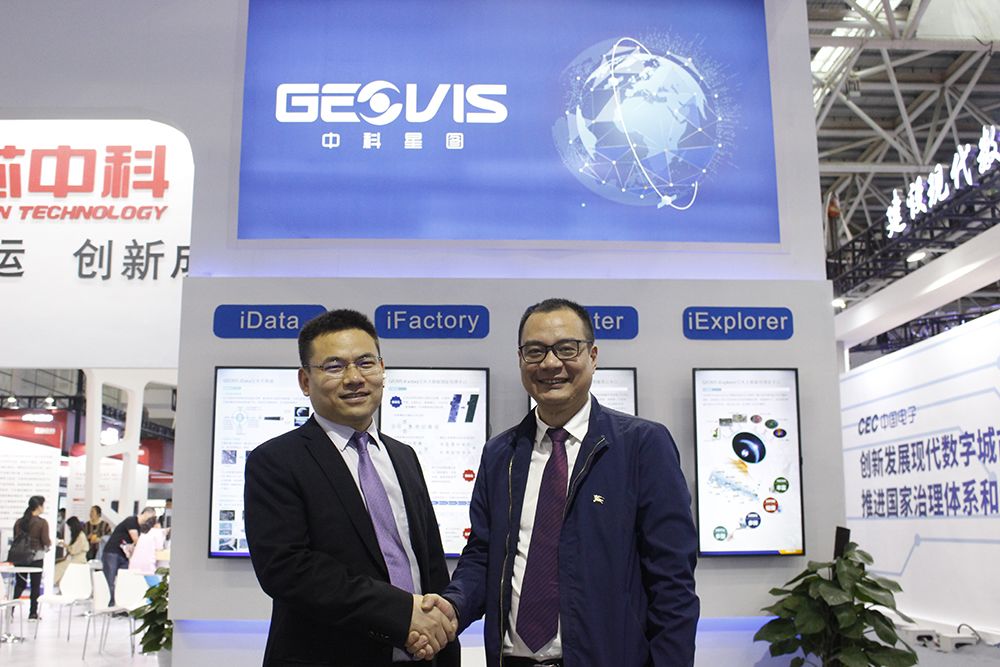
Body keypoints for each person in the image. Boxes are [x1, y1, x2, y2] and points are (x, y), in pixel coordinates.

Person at [437, 298, 700, 666]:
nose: (550, 363)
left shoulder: (642, 446)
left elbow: (673, 583)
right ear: (520, 360)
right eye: (535, 351)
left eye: (566, 348)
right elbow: (483, 555)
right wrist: (452, 606)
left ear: (593, 356)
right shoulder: (500, 455)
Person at [244, 309, 460, 667]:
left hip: (423, 655)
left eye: (365, 363)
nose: (354, 378)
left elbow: (430, 564)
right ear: (305, 381)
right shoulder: (276, 461)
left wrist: (438, 630)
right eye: (334, 366)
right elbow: (288, 570)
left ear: (382, 369)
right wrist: (401, 613)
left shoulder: (403, 456)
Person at [102, 507, 156, 606]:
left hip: (124, 556)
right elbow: (136, 540)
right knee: (110, 579)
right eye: (151, 517)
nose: (151, 520)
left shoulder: (140, 528)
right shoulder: (131, 521)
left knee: (124, 580)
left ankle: (120, 604)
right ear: (146, 513)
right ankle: (110, 603)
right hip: (112, 552)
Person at [10, 495, 51, 620]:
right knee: (35, 586)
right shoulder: (42, 523)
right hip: (36, 557)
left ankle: (10, 610)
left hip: (20, 557)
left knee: (19, 584)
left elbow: (15, 538)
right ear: (38, 506)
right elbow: (46, 541)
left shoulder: (19, 522)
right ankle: (33, 613)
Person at [54, 516, 89, 585]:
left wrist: (65, 545)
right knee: (59, 565)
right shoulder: (77, 536)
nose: (69, 529)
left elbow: (73, 550)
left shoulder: (81, 536)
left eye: (70, 527)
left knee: (59, 567)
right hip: (74, 559)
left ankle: (52, 582)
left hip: (79, 561)